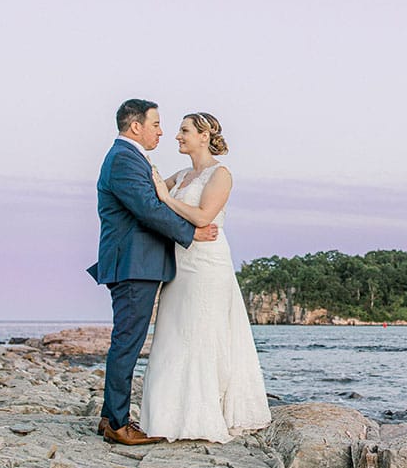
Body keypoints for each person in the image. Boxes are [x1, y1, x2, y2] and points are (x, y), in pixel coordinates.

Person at [87, 99, 219, 445]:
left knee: (126, 340)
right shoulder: (123, 160)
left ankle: (108, 416)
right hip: (133, 264)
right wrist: (192, 233)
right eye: (156, 124)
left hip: (138, 263)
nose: (162, 131)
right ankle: (117, 423)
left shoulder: (130, 158)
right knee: (127, 342)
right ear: (136, 127)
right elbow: (148, 210)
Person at [139, 112, 271, 442]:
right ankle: (166, 417)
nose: (177, 136)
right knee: (174, 332)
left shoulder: (220, 175)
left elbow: (203, 216)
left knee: (202, 332)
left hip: (207, 263)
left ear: (203, 135)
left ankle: (203, 415)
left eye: (184, 131)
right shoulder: (182, 175)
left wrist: (167, 198)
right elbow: (150, 193)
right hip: (179, 264)